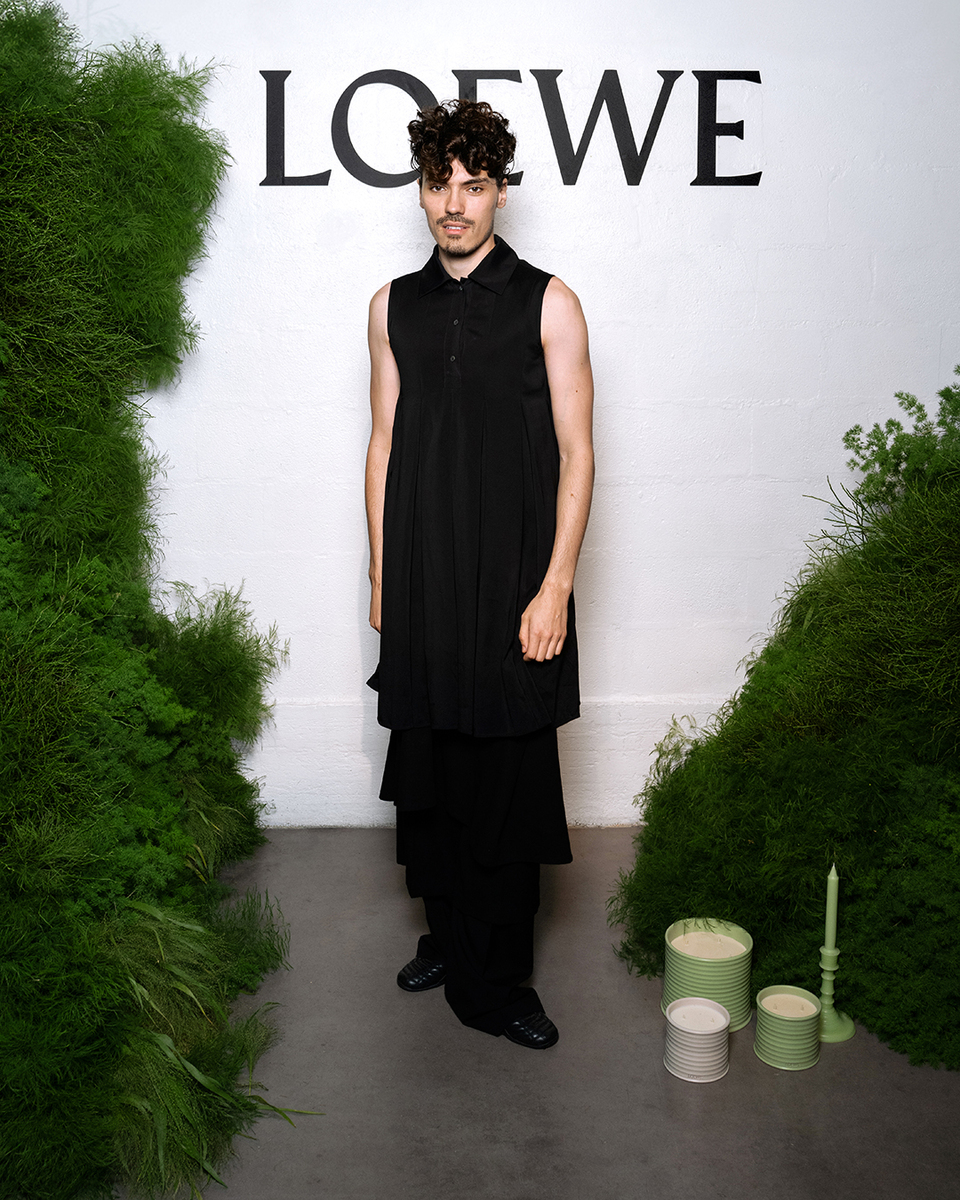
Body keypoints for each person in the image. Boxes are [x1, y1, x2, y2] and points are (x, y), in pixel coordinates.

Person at [365, 99, 594, 1049]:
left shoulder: (551, 302)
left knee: (504, 781)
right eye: (439, 184)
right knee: (434, 771)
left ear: (501, 192)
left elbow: (579, 453)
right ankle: (445, 937)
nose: (454, 203)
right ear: (421, 193)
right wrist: (382, 573)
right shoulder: (390, 306)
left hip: (512, 584)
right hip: (423, 574)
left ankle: (498, 982)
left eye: (474, 184)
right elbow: (383, 442)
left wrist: (556, 587)